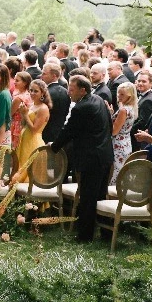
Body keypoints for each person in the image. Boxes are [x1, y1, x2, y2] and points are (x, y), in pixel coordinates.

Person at [50, 74, 114, 242]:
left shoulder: (80, 108)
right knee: (100, 195)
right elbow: (109, 124)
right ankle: (105, 233)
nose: (68, 93)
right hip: (105, 155)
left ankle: (85, 235)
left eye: (71, 90)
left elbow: (69, 131)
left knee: (88, 197)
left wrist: (54, 147)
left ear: (82, 90)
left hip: (91, 158)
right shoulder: (99, 100)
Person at [16, 79, 49, 179]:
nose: (32, 93)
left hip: (34, 141)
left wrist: (25, 115)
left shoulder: (43, 108)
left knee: (29, 170)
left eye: (36, 91)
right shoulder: (31, 105)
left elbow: (35, 129)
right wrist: (22, 114)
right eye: (31, 90)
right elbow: (24, 124)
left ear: (42, 93)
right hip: (24, 139)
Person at [111, 82, 137, 184]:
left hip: (117, 144)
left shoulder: (123, 110)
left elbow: (114, 131)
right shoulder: (131, 107)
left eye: (122, 94)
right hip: (126, 142)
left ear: (129, 96)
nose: (119, 96)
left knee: (116, 172)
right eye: (118, 93)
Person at [9, 71, 32, 148]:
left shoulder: (19, 98)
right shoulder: (27, 93)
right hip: (22, 125)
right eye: (14, 80)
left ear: (25, 83)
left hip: (16, 125)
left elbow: (10, 113)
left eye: (17, 80)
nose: (14, 82)